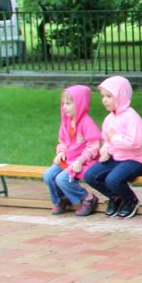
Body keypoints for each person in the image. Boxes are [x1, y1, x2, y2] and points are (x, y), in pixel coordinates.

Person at [83, 76, 142, 220]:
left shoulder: (132, 117)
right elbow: (106, 141)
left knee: (112, 179)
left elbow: (135, 142)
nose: (104, 100)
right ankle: (116, 197)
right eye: (103, 96)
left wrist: (114, 139)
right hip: (115, 158)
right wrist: (105, 152)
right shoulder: (109, 119)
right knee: (90, 175)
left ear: (121, 96)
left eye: (109, 96)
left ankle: (131, 201)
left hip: (134, 160)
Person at [43, 85, 102, 217]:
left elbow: (94, 146)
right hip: (68, 159)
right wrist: (61, 152)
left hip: (84, 162)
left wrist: (80, 160)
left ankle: (88, 198)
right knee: (48, 175)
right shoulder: (66, 122)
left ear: (80, 104)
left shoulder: (87, 123)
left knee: (62, 179)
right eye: (63, 104)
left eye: (68, 104)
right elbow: (63, 141)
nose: (64, 107)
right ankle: (62, 199)